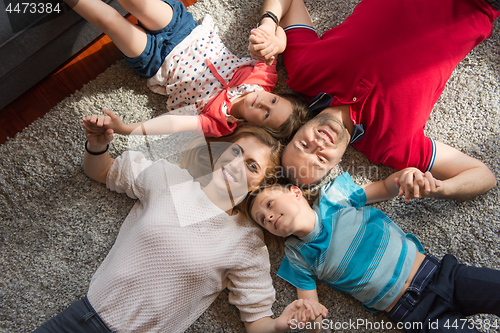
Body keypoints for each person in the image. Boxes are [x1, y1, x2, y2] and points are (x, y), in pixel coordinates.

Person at [34, 122, 325, 333]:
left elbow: (257, 321)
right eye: (235, 151)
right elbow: (102, 170)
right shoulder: (168, 178)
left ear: (261, 183)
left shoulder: (247, 242)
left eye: (252, 166)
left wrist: (281, 325)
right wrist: (97, 145)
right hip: (80, 317)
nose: (235, 165)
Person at [248, 0, 498, 200]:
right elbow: (483, 175)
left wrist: (268, 26)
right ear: (335, 167)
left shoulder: (304, 73)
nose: (319, 144)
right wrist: (439, 188)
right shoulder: (392, 148)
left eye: (304, 145)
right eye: (322, 159)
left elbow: (290, 3)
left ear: (296, 131)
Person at [245, 171, 500, 332]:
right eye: (262, 220)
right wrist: (309, 317)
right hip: (416, 312)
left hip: (442, 274)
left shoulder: (335, 198)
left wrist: (407, 175)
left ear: (295, 192)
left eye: (268, 204)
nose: (268, 216)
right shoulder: (297, 256)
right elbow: (312, 309)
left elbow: (386, 187)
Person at [64, 0, 308, 139]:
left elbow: (172, 124)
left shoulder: (221, 123)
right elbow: (275, 38)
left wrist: (126, 129)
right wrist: (275, 40)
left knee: (111, 22)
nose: (263, 103)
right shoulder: (263, 79)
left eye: (266, 114)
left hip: (158, 63)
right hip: (184, 30)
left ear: (257, 128)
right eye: (273, 101)